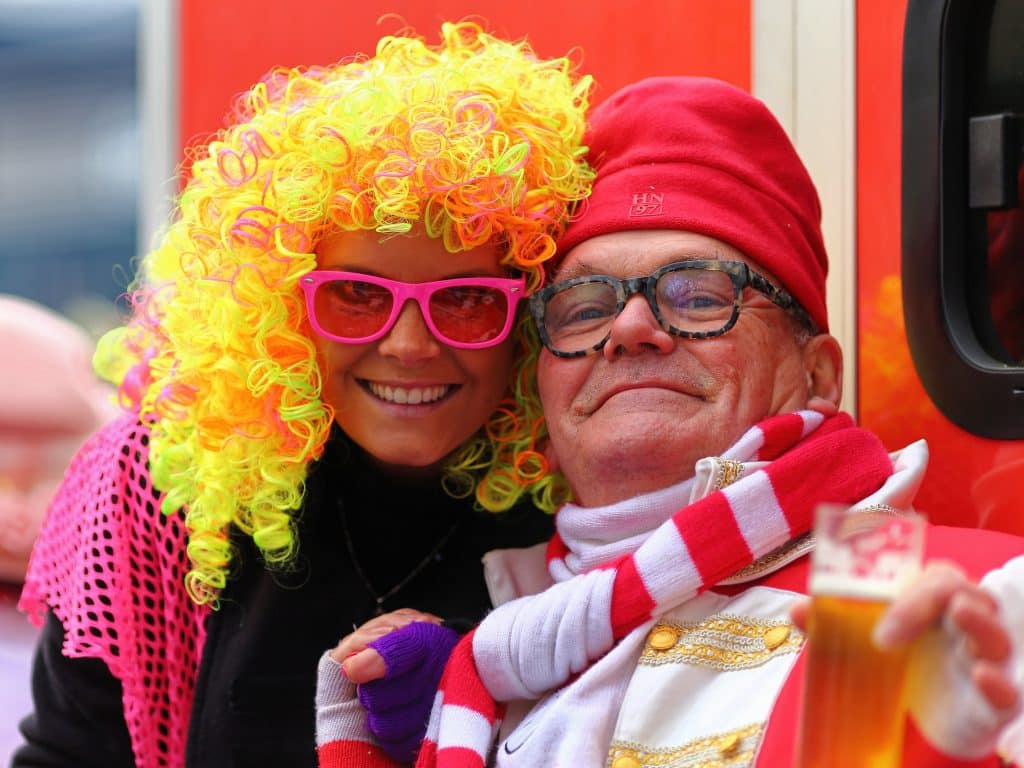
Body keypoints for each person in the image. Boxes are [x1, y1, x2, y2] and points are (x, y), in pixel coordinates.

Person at [314, 76, 1024, 767]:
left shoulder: (974, 602)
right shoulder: (497, 652)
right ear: (542, 395)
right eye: (583, 308)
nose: (629, 326)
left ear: (818, 376)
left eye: (698, 296)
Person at [12, 22, 594, 768]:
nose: (411, 345)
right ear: (279, 306)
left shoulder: (586, 493)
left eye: (467, 299)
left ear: (528, 313)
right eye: (356, 295)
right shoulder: (161, 485)